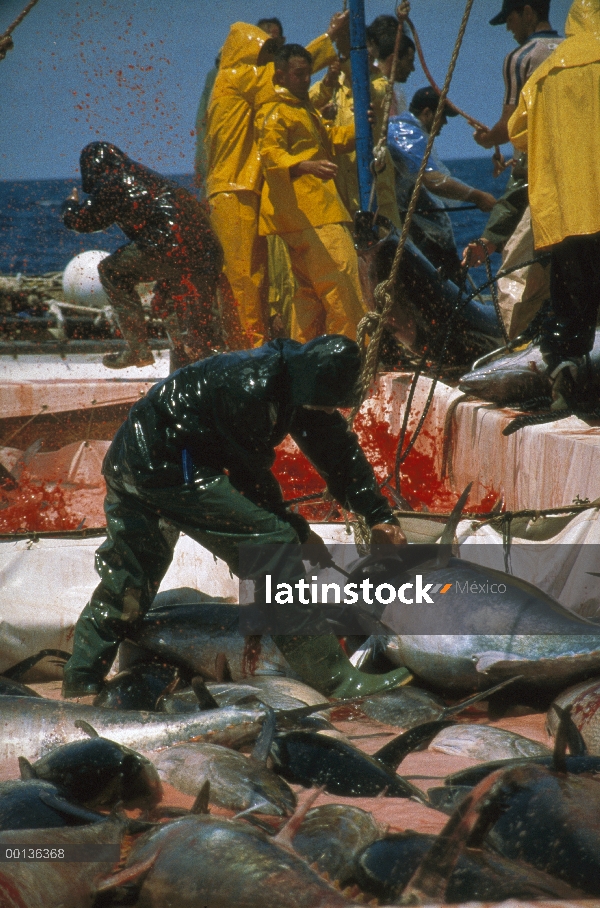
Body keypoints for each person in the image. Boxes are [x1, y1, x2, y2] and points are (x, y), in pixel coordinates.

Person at [61, 334, 410, 700]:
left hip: (135, 457)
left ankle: (82, 677)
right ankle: (337, 679)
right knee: (272, 545)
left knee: (130, 574)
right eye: (328, 405)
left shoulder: (299, 378)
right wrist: (297, 531)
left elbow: (336, 450)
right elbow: (252, 483)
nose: (328, 413)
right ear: (315, 386)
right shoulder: (251, 388)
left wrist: (377, 514)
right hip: (163, 463)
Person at [206, 15, 346, 349]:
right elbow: (287, 71)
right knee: (244, 277)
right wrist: (330, 35)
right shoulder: (236, 77)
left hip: (242, 190)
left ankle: (256, 345)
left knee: (256, 276)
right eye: (266, 52)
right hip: (233, 191)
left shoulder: (236, 82)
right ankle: (249, 351)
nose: (269, 59)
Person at [508, 0, 600, 410]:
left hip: (567, 217)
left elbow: (517, 133)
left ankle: (566, 389)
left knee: (571, 312)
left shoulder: (546, 71)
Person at [61, 142, 223, 370]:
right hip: (206, 251)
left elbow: (82, 221)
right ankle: (192, 367)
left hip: (172, 246)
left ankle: (137, 349)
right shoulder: (144, 175)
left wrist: (68, 205)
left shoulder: (112, 180)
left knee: (111, 271)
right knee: (186, 318)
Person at [463, 0, 562, 338]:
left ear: (529, 12)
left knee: (514, 280)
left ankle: (510, 355)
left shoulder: (522, 58)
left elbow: (508, 128)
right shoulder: (578, 50)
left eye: (511, 18)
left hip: (546, 182)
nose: (508, 28)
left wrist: (486, 138)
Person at [258, 44, 367, 343]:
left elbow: (330, 138)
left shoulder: (302, 110)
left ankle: (302, 362)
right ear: (280, 76)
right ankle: (352, 358)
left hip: (307, 216)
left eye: (308, 74)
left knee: (308, 298)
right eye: (299, 74)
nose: (306, 80)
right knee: (343, 284)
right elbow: (269, 154)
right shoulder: (275, 111)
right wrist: (304, 166)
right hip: (314, 214)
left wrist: (362, 126)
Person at [387, 87, 496, 283]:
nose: (445, 123)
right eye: (443, 116)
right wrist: (477, 196)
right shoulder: (408, 133)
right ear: (427, 113)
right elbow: (432, 180)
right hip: (395, 220)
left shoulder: (401, 127)